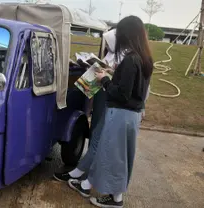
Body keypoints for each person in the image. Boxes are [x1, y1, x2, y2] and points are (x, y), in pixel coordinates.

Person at [67, 16, 153, 208]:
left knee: (112, 156)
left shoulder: (131, 60)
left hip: (121, 114)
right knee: (119, 156)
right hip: (132, 115)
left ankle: (114, 198)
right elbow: (135, 90)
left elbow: (122, 94)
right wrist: (113, 75)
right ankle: (97, 189)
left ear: (127, 34)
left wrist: (104, 79)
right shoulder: (145, 58)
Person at [53, 28, 123, 182]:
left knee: (99, 135)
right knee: (96, 132)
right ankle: (88, 169)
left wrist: (105, 75)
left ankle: (84, 174)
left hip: (108, 99)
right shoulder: (112, 54)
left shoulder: (125, 57)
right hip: (100, 96)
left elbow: (119, 83)